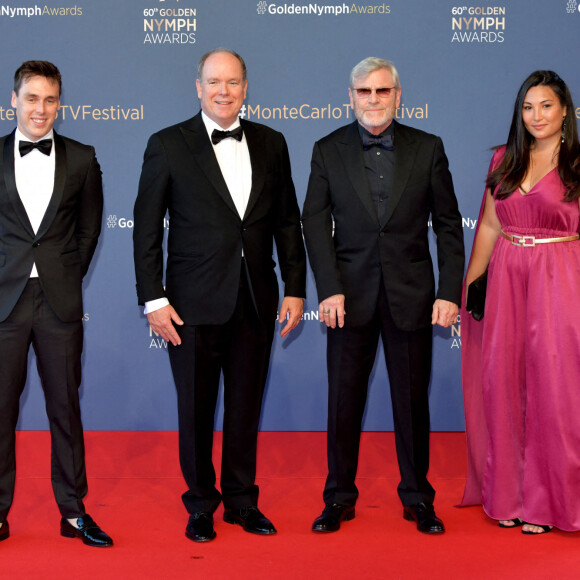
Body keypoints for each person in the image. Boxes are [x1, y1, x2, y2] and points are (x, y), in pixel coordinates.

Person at [133, 48, 306, 543]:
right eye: (214, 82)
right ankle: (200, 504)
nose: (223, 91)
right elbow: (145, 230)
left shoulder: (273, 143)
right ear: (198, 86)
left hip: (254, 298)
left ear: (246, 88)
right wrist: (153, 298)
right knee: (195, 410)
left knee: (245, 407)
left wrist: (295, 287)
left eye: (232, 82)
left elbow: (287, 223)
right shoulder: (167, 144)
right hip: (189, 304)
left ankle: (241, 501)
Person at [302, 57, 464, 535]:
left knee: (412, 404)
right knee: (343, 403)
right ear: (350, 96)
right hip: (347, 299)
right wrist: (328, 288)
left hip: (412, 296)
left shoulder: (427, 148)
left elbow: (449, 225)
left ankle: (418, 498)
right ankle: (338, 498)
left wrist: (449, 291)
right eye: (364, 92)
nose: (373, 100)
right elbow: (313, 222)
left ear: (398, 95)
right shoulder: (327, 149)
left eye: (382, 91)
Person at [461, 70, 580, 534]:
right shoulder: (502, 159)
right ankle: (508, 494)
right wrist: (475, 282)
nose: (536, 116)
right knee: (504, 385)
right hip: (508, 278)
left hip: (562, 279)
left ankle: (549, 502)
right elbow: (490, 225)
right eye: (528, 107)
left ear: (565, 109)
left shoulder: (577, 163)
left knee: (556, 391)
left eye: (546, 106)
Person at [0, 61, 112, 547]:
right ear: (14, 100)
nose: (40, 109)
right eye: (31, 99)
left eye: (49, 100)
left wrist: (65, 275)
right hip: (3, 304)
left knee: (65, 409)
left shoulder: (82, 158)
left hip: (59, 305)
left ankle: (73, 511)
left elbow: (89, 230)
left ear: (59, 104)